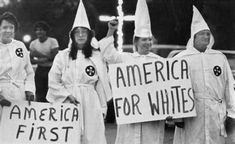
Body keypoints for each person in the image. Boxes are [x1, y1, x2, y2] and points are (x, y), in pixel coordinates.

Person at [99, 0, 165, 143]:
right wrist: (111, 30)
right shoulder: (125, 59)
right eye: (144, 40)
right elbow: (106, 53)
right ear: (136, 42)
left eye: (149, 40)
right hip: (130, 113)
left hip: (152, 114)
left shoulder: (160, 62)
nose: (147, 43)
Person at [46, 0, 112, 144]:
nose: (81, 35)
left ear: (89, 36)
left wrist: (103, 108)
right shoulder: (63, 56)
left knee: (92, 136)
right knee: (69, 137)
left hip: (91, 102)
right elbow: (53, 80)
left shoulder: (95, 57)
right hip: (68, 102)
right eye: (77, 32)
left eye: (84, 32)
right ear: (72, 35)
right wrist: (66, 94)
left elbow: (100, 84)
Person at [173, 6, 235, 144]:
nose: (206, 36)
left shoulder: (219, 58)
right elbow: (174, 88)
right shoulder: (181, 59)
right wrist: (177, 115)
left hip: (216, 112)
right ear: (194, 36)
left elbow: (228, 87)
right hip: (192, 114)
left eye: (208, 34)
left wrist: (232, 113)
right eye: (202, 33)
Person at [0, 12, 35, 109]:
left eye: (11, 27)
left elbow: (29, 71)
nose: (8, 30)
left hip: (20, 94)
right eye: (5, 27)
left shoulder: (20, 46)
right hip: (2, 94)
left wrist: (29, 90)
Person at [29, 21, 59, 102]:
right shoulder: (33, 43)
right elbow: (30, 60)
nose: (39, 32)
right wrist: (42, 60)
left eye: (41, 30)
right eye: (37, 30)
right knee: (39, 91)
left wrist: (39, 55)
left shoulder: (53, 41)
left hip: (51, 69)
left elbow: (55, 56)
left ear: (46, 31)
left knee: (51, 91)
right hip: (40, 70)